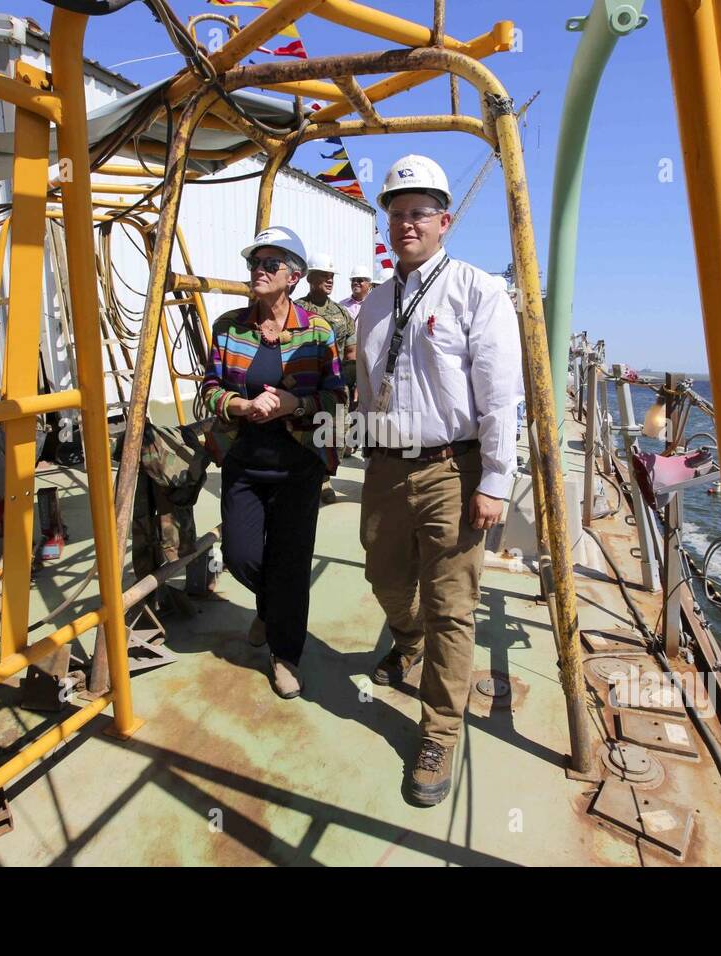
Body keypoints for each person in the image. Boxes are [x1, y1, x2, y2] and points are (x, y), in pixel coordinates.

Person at [357, 155, 523, 806]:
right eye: (396, 213)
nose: (406, 223)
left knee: (453, 607)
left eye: (419, 212)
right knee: (385, 576)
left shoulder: (477, 290)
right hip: (387, 466)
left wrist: (496, 480)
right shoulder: (371, 301)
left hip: (455, 469)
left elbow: (499, 395)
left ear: (444, 221)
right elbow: (371, 386)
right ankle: (407, 640)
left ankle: (439, 733)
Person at [199, 226, 347, 699]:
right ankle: (270, 607)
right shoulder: (229, 326)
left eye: (269, 265)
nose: (258, 272)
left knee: (291, 563)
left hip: (299, 465)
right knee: (242, 555)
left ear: (294, 276)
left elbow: (337, 396)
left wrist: (293, 405)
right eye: (254, 264)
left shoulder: (318, 329)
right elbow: (209, 387)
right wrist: (239, 407)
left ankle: (286, 655)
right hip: (244, 459)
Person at [296, 252, 356, 502]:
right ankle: (316, 481)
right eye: (324, 275)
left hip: (335, 384)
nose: (329, 280)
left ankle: (324, 474)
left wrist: (353, 384)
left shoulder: (342, 313)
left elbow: (351, 352)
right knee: (304, 432)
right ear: (310, 278)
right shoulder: (296, 309)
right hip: (303, 385)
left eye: (331, 276)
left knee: (338, 436)